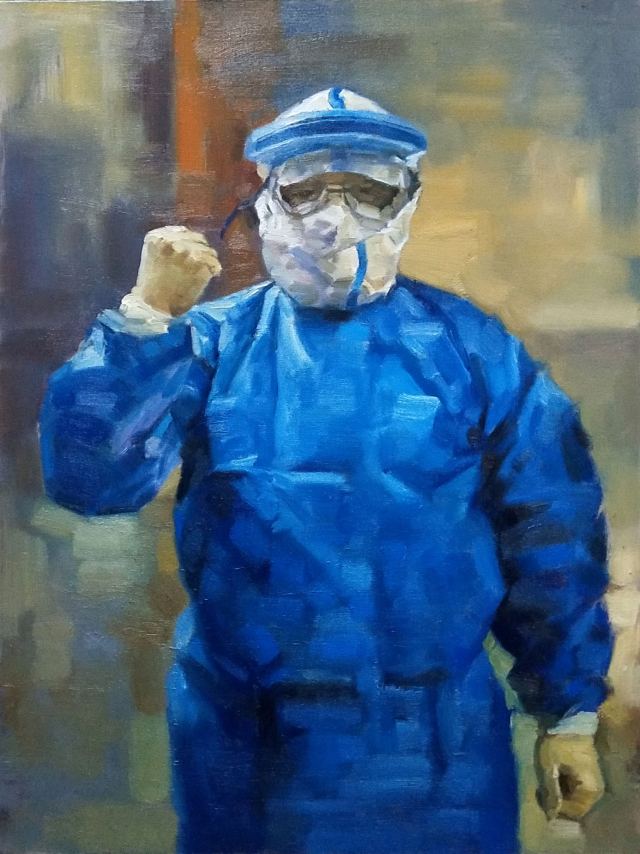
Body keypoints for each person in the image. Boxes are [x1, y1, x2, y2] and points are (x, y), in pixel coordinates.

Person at [40, 88, 613, 854]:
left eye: (368, 191)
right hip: (247, 744)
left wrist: (568, 712)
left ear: (407, 201)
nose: (333, 218)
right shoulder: (212, 342)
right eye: (306, 189)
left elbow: (550, 529)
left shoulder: (474, 352)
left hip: (438, 750)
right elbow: (90, 480)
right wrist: (146, 317)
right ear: (265, 202)